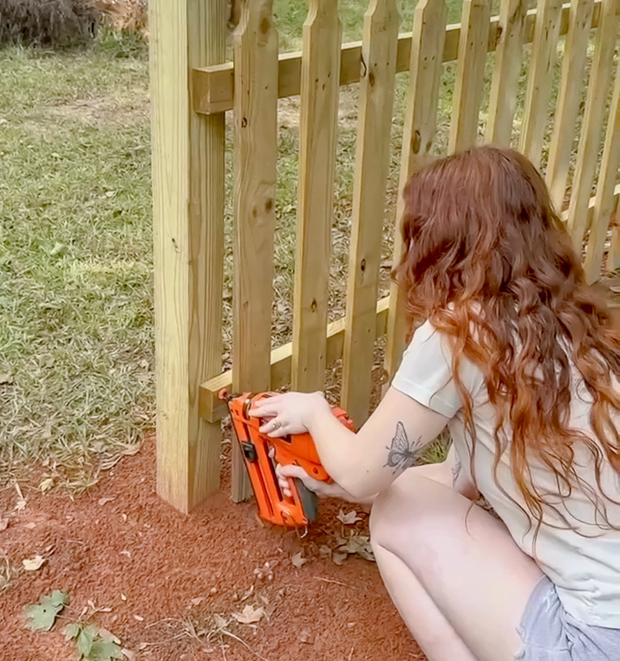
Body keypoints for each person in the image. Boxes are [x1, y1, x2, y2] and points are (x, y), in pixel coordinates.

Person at [249, 146, 620, 661]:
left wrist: (314, 411)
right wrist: (349, 483)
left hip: (592, 642)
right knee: (400, 494)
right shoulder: (577, 323)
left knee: (395, 516)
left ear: (439, 243)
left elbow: (365, 475)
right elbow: (458, 479)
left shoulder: (460, 331)